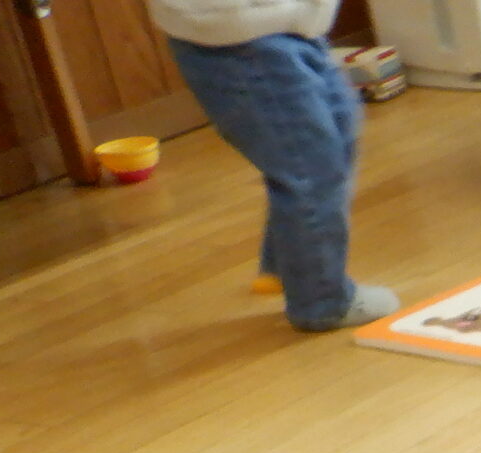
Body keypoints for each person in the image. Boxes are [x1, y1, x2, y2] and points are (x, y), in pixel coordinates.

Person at [148, 0, 395, 331]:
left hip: (290, 25)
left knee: (338, 126)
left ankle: (288, 266)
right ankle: (321, 301)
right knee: (310, 166)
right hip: (241, 38)